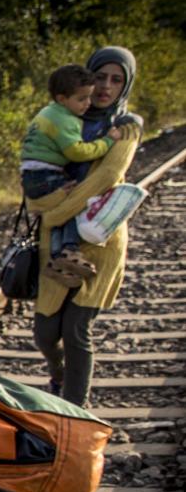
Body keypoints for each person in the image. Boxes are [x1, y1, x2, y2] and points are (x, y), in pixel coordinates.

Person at [29, 47, 143, 406]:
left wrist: (56, 212)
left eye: (117, 80)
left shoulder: (125, 128)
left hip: (99, 239)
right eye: (100, 77)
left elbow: (106, 177)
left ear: (126, 85)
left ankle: (74, 411)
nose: (106, 87)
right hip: (55, 239)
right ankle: (58, 375)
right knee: (46, 332)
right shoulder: (65, 118)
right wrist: (42, 202)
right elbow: (36, 163)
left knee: (76, 331)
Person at [19, 64, 114, 280]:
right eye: (81, 99)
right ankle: (69, 249)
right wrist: (107, 142)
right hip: (45, 174)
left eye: (88, 98)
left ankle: (56, 258)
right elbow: (76, 152)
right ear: (62, 99)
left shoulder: (47, 112)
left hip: (31, 174)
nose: (88, 104)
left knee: (57, 214)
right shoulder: (64, 119)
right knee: (71, 206)